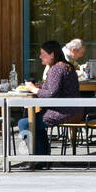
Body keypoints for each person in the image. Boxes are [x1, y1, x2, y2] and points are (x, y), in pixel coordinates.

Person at [16, 40, 82, 169]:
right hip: (72, 110)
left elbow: (51, 93)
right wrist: (39, 87)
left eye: (43, 53)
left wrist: (33, 89)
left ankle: (38, 158)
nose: (40, 56)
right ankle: (43, 158)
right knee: (34, 121)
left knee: (25, 123)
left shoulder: (57, 68)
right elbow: (54, 89)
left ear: (52, 54)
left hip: (63, 112)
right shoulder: (66, 66)